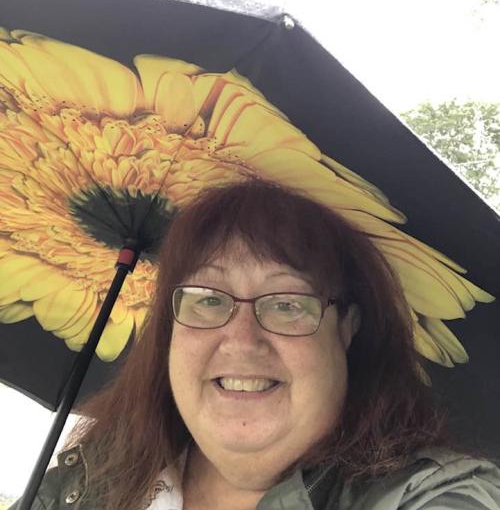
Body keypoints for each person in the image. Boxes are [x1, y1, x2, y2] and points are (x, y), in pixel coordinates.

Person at [10, 179, 500, 510]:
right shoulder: (99, 470)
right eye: (207, 298)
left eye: (287, 303)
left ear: (347, 329)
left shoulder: (435, 494)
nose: (241, 339)